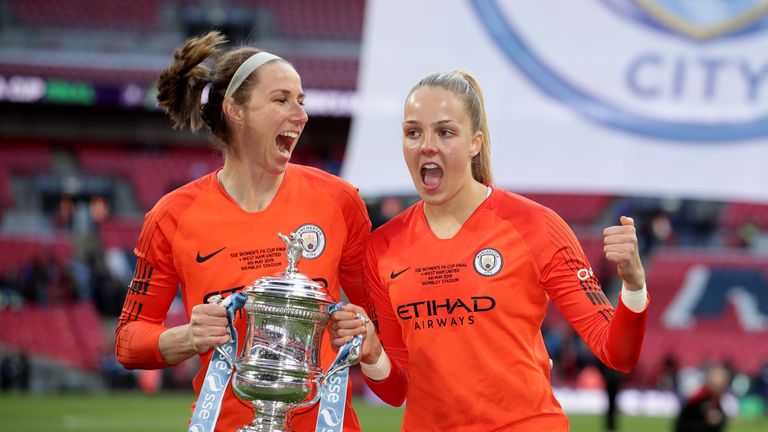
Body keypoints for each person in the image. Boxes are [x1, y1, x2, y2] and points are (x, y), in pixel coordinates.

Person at [330, 70, 649, 431]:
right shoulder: (383, 247)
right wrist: (372, 353)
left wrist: (634, 286)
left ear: (475, 143)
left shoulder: (535, 226)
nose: (426, 145)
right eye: (413, 132)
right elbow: (395, 390)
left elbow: (618, 353)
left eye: (445, 132)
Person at [114, 31, 370, 432]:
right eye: (281, 99)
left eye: (301, 101)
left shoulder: (339, 201)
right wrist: (188, 336)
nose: (301, 115)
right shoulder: (172, 216)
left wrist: (360, 328)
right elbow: (128, 341)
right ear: (235, 110)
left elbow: (378, 314)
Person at [674, 364, 730, 432]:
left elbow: (720, 419)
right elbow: (684, 423)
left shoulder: (715, 398)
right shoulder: (699, 398)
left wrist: (720, 418)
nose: (722, 388)